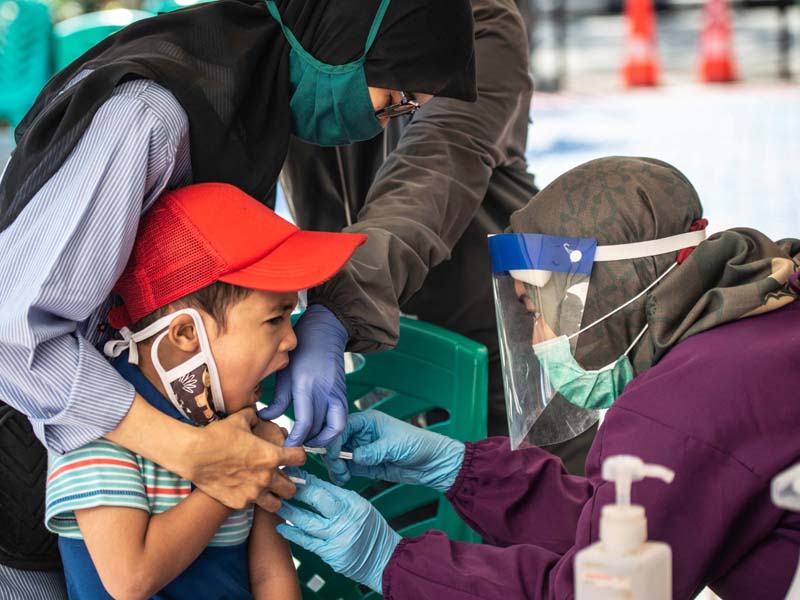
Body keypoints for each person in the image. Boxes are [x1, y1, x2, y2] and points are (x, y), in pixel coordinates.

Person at [0, 0, 475, 595]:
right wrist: (195, 456)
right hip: (27, 475)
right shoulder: (149, 115)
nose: (388, 121)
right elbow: (13, 335)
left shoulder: (245, 111)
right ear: (344, 41)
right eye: (398, 98)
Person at [275, 157, 800, 598]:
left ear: (605, 291)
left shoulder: (675, 412)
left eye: (535, 309)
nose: (536, 337)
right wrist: (460, 470)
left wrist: (389, 560)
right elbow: (631, 522)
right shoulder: (765, 315)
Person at [44, 182, 367, 599]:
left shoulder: (242, 423)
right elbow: (130, 579)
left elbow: (270, 574)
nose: (291, 340)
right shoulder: (96, 431)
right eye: (274, 320)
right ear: (185, 334)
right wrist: (236, 476)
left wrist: (253, 466)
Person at [272, 0, 567, 450]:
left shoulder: (465, 17)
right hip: (368, 339)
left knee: (538, 482)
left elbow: (434, 167)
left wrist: (339, 303)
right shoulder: (291, 17)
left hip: (498, 333)